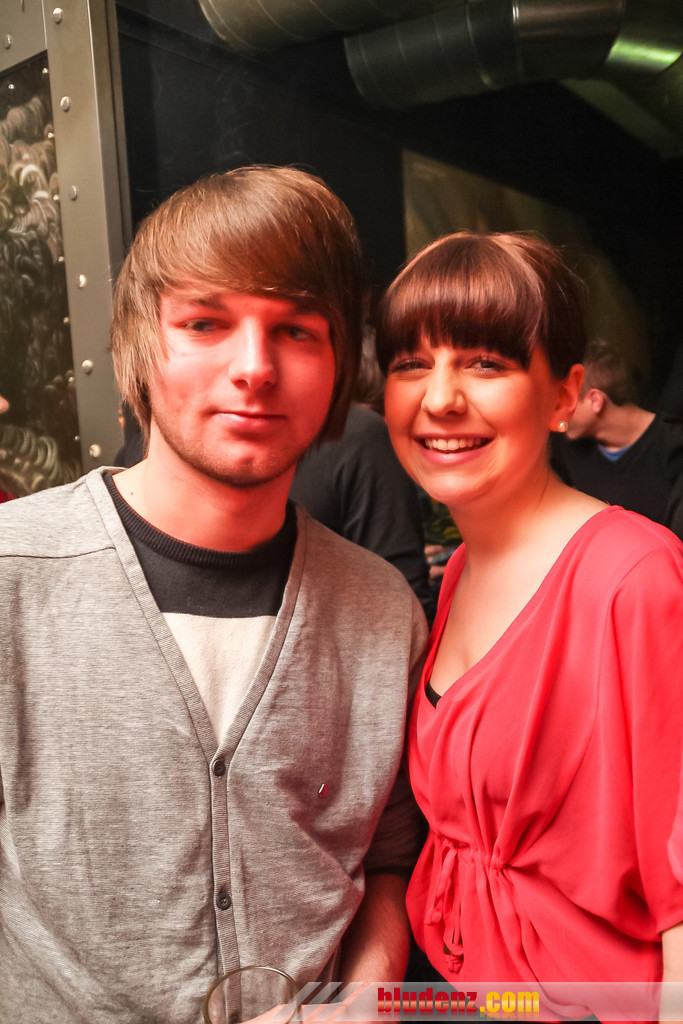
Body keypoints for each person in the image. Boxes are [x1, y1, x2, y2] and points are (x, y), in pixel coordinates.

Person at [0, 166, 428, 1024]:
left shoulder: (380, 608)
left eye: (296, 330)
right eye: (204, 323)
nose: (254, 368)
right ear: (138, 344)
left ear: (339, 364)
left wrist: (368, 998)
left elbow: (388, 854)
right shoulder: (17, 573)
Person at [375, 231, 683, 1021]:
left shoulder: (633, 576)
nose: (440, 397)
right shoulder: (460, 571)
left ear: (561, 395)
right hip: (457, 992)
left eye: (485, 362)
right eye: (411, 362)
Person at [551, 337, 683, 538]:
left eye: (565, 401)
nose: (557, 412)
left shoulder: (673, 447)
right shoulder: (567, 449)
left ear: (595, 400)